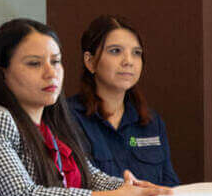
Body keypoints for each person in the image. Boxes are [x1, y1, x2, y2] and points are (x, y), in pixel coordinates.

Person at [0, 18, 172, 196]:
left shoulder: (53, 122)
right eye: (34, 63)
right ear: (2, 71)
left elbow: (91, 177)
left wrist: (132, 189)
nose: (51, 73)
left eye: (56, 61)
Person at [67, 15, 180, 186]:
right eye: (115, 51)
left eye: (136, 53)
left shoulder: (151, 121)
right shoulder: (67, 118)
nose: (128, 61)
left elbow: (170, 187)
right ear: (90, 61)